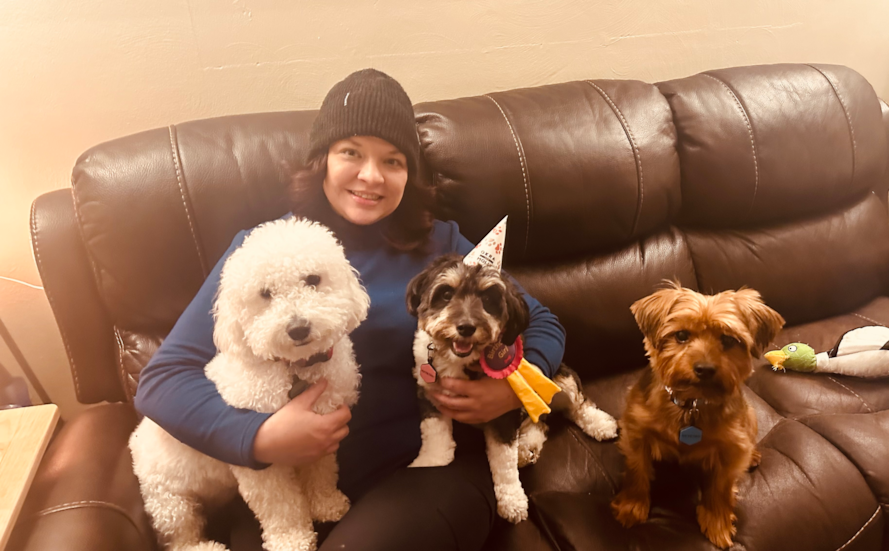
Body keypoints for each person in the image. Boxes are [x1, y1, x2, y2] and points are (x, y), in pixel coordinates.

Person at [134, 68, 566, 551]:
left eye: (393, 160)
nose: (371, 176)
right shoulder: (266, 252)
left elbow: (543, 323)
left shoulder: (441, 244)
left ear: (411, 173)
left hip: (427, 469)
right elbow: (162, 381)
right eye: (351, 153)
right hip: (293, 483)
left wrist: (512, 391)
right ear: (322, 159)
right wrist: (257, 439)